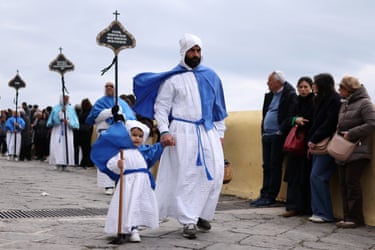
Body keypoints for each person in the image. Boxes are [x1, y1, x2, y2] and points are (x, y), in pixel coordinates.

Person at [133, 33, 228, 239]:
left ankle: (202, 213)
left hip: (207, 132)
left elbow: (218, 108)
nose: (195, 54)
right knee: (188, 175)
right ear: (183, 52)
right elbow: (161, 107)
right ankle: (188, 220)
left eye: (198, 50)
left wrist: (219, 133)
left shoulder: (211, 77)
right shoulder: (173, 79)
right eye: (191, 51)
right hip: (182, 133)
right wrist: (165, 131)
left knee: (215, 174)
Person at [100, 120, 164, 243]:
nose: (137, 138)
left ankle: (135, 228)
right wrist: (117, 164)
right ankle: (125, 228)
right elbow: (110, 163)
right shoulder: (122, 151)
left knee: (137, 205)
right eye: (134, 135)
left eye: (140, 136)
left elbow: (152, 156)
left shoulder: (143, 151)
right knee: (127, 205)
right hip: (127, 184)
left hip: (141, 183)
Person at [250, 71, 297, 207]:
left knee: (275, 166)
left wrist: (280, 131)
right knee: (266, 166)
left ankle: (271, 196)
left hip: (277, 135)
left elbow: (290, 115)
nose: (267, 84)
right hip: (266, 135)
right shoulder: (271, 95)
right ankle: (264, 194)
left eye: (269, 81)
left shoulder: (289, 95)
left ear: (278, 82)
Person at [334, 76, 375, 228]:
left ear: (349, 89)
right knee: (344, 183)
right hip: (344, 150)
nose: (339, 91)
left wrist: (351, 133)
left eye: (341, 88)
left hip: (358, 150)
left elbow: (372, 123)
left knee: (352, 184)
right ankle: (347, 217)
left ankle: (356, 218)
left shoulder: (364, 103)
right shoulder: (345, 104)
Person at [86, 82, 136, 195]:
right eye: (107, 86)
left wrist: (120, 116)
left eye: (111, 86)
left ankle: (117, 182)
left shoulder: (122, 103)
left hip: (118, 134)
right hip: (104, 133)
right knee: (105, 158)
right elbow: (96, 117)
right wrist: (109, 112)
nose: (109, 88)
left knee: (117, 159)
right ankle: (107, 185)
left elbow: (129, 117)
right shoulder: (100, 102)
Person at [307, 73, 341, 223]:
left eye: (315, 83)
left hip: (326, 144)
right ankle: (318, 211)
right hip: (319, 143)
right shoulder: (320, 100)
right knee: (315, 177)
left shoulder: (333, 100)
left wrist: (314, 139)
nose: (313, 85)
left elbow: (329, 123)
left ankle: (325, 213)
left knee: (318, 176)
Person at [282, 77, 314, 217]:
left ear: (311, 88)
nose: (303, 90)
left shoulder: (314, 102)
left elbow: (314, 120)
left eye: (306, 87)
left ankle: (305, 207)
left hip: (307, 142)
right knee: (293, 175)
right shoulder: (295, 102)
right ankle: (292, 206)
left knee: (304, 176)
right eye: (300, 87)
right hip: (295, 144)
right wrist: (296, 120)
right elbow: (287, 118)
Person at [47, 95, 79, 170]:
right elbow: (52, 120)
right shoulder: (55, 108)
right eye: (65, 98)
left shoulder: (71, 109)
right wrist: (61, 114)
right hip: (58, 129)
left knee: (67, 145)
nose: (66, 99)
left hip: (68, 129)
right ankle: (58, 162)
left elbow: (75, 121)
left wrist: (68, 122)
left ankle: (66, 162)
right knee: (58, 146)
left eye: (67, 98)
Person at [77, 98, 94, 168]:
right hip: (88, 131)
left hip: (82, 131)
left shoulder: (82, 113)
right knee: (87, 148)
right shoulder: (91, 112)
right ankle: (88, 162)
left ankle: (85, 162)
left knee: (84, 148)